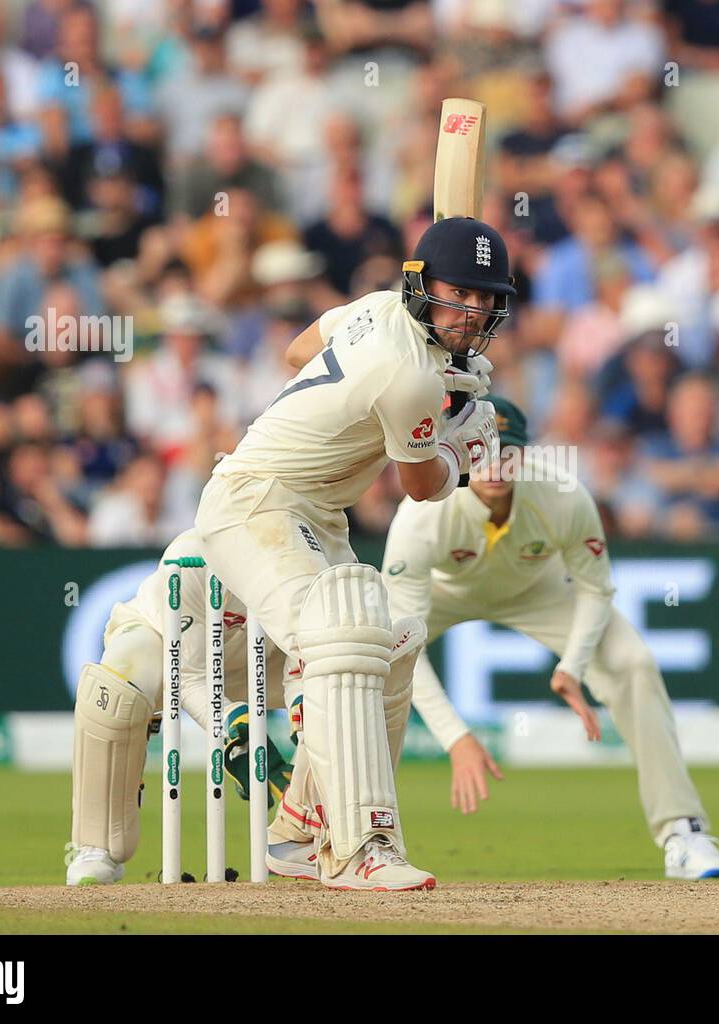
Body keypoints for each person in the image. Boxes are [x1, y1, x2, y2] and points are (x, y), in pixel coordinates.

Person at [192, 216, 510, 890]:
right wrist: (462, 436)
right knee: (341, 637)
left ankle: (301, 831)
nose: (474, 310)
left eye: (485, 299)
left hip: (315, 513)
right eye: (462, 293)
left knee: (394, 640)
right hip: (258, 502)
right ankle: (359, 846)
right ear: (423, 286)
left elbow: (295, 352)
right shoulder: (410, 376)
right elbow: (423, 488)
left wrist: (439, 379)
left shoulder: (374, 309)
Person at [380, 396, 719, 881]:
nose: (495, 463)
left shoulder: (563, 495)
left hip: (537, 591)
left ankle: (683, 831)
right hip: (445, 593)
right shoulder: (421, 518)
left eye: (506, 451)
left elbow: (595, 589)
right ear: (457, 452)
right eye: (479, 450)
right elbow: (406, 645)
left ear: (525, 455)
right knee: (376, 665)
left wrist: (572, 665)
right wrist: (456, 738)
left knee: (632, 664)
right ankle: (353, 833)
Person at [66, 529, 298, 885]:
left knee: (339, 675)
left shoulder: (302, 557)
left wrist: (303, 722)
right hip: (162, 646)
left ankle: (321, 833)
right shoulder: (192, 556)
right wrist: (234, 729)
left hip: (259, 662)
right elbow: (188, 678)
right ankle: (97, 846)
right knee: (114, 690)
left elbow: (309, 654)